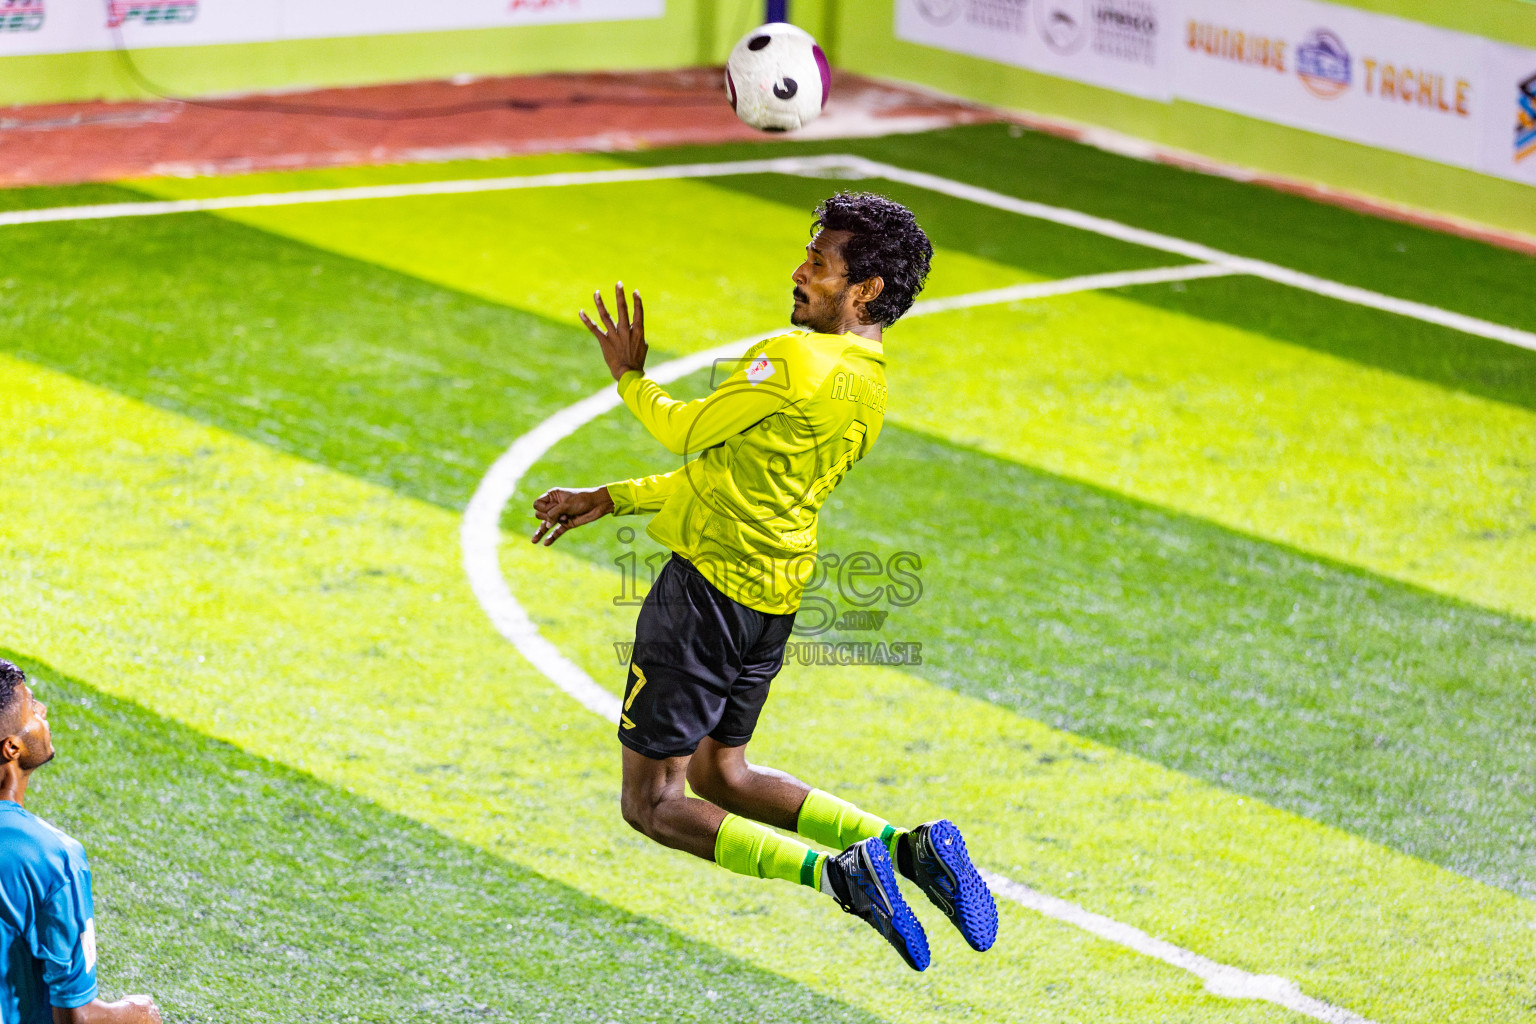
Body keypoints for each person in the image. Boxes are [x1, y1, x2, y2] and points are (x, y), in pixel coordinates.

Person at [531, 192, 997, 970]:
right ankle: (905, 849)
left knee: (652, 804)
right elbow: (732, 478)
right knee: (725, 773)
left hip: (702, 600)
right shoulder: (869, 386)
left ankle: (837, 872)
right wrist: (611, 498)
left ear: (866, 290)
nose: (798, 272)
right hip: (771, 604)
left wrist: (630, 377)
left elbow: (685, 432)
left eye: (818, 264)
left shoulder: (791, 359)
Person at [0, 660, 161, 1023]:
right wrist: (137, 1014)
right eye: (31, 707)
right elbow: (76, 1015)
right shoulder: (50, 856)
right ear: (12, 748)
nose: (42, 711)